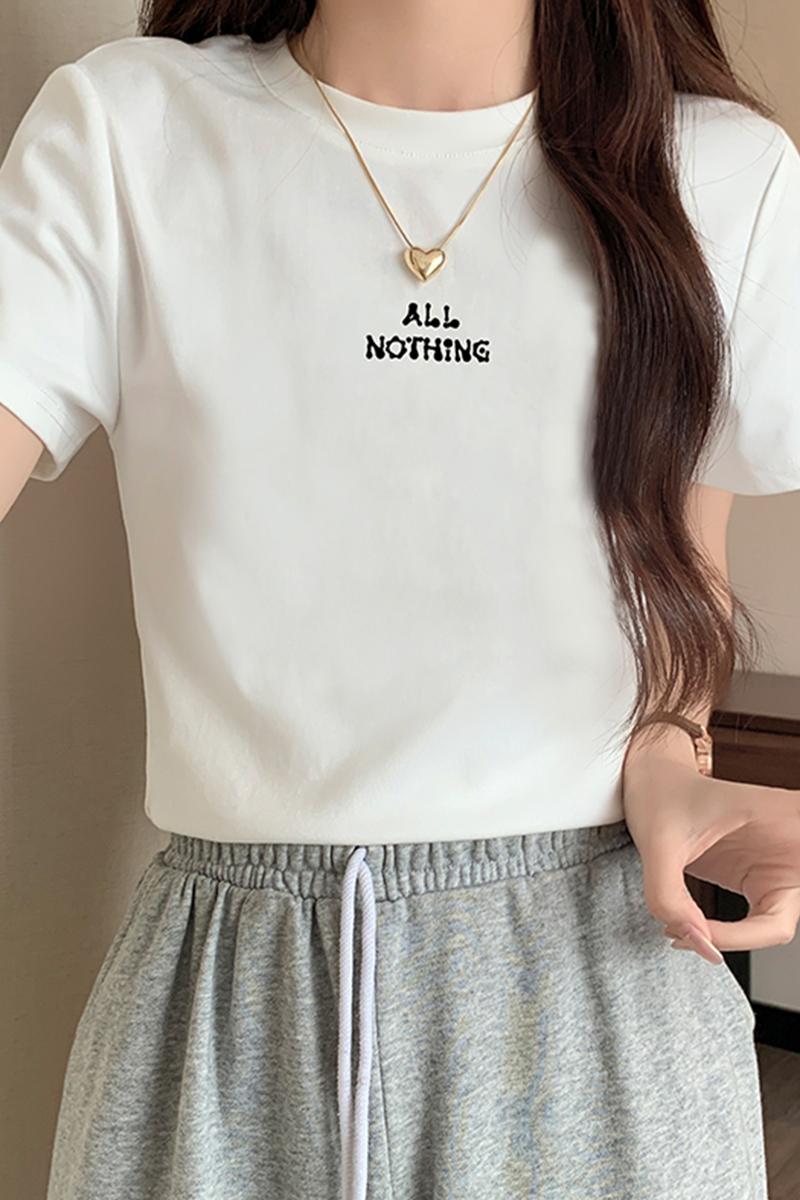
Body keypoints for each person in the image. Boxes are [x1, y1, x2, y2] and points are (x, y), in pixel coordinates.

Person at [1, 2, 800, 1198]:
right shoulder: (129, 131)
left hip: (603, 991)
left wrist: (669, 760)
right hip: (233, 1003)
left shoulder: (720, 176)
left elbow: (678, 572)